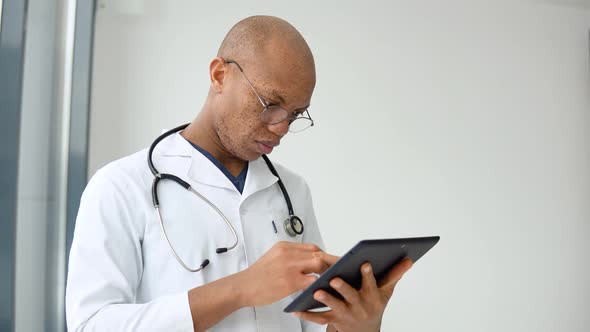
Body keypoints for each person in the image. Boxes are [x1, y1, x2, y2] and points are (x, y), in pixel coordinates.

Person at [65, 15, 413, 332]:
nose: (280, 128)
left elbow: (310, 326)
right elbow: (91, 325)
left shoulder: (291, 191)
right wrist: (241, 288)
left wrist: (359, 326)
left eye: (294, 114)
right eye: (270, 104)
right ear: (219, 74)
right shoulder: (121, 186)